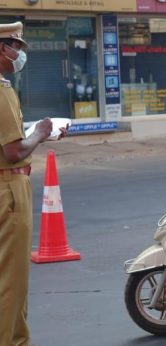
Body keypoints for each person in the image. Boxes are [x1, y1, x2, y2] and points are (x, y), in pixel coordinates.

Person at [0, 21, 68, 346]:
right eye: (17, 47)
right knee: (12, 279)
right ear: (3, 48)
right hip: (8, 192)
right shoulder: (1, 90)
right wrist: (40, 133)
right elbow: (13, 152)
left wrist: (34, 132)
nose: (19, 54)